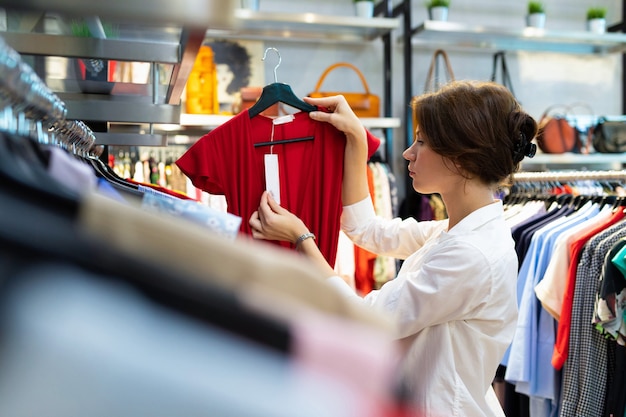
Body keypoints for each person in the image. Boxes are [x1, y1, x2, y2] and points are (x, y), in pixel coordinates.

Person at [249, 80, 538, 416]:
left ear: (460, 159)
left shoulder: (471, 253)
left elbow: (366, 321)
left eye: (421, 142)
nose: (407, 153)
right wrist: (357, 139)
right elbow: (367, 230)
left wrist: (301, 239)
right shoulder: (456, 232)